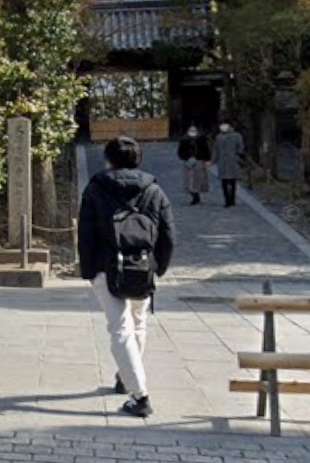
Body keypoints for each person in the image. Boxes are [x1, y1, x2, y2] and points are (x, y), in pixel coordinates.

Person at [78, 136, 175, 418]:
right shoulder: (153, 190)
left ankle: (139, 395)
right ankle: (126, 377)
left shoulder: (96, 188)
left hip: (105, 266)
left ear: (108, 159)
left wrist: (88, 270)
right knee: (138, 323)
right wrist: (159, 266)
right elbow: (168, 234)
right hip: (143, 266)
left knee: (120, 328)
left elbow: (86, 234)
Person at [211, 120, 245, 208]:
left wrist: (237, 156)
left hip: (233, 161)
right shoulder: (218, 137)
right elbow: (216, 149)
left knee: (233, 181)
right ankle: (227, 200)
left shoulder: (237, 135)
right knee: (224, 182)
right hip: (222, 162)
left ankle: (232, 199)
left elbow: (240, 148)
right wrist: (213, 160)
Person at [177, 125, 211, 205]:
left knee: (198, 179)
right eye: (191, 130)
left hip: (199, 160)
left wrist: (207, 159)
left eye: (194, 130)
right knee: (189, 180)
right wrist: (185, 157)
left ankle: (196, 196)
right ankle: (194, 195)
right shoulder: (184, 140)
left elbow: (206, 149)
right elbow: (180, 151)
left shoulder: (201, 139)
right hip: (188, 161)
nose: (192, 132)